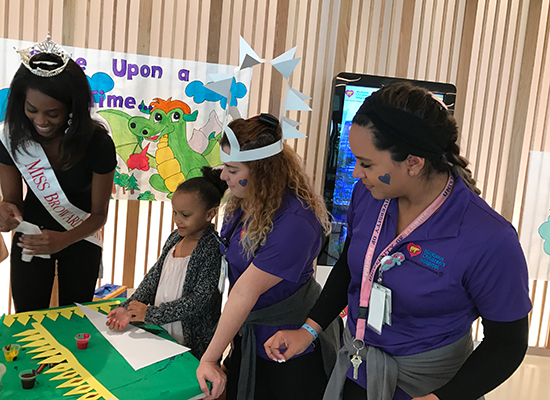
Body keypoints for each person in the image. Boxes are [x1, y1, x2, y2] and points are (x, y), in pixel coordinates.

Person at [265, 82, 532, 400]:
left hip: (426, 387)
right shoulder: (369, 195)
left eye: (366, 164)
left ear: (414, 163)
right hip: (358, 366)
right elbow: (355, 268)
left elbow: (507, 343)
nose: (357, 174)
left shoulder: (488, 238)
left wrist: (442, 398)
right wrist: (308, 330)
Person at [196, 114, 341, 400]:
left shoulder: (295, 222)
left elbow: (244, 293)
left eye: (232, 169)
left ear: (263, 172)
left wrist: (210, 358)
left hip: (287, 348)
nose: (223, 176)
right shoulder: (244, 202)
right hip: (248, 334)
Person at [0, 37, 116, 313]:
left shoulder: (96, 143)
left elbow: (99, 215)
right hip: (30, 236)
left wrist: (63, 239)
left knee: (76, 320)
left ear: (72, 108)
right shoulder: (12, 137)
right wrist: (5, 213)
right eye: (32, 110)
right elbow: (12, 200)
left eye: (52, 113)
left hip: (80, 238)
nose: (41, 121)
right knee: (27, 320)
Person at [106, 166, 226, 359]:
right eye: (175, 213)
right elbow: (153, 278)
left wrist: (151, 314)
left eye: (185, 215)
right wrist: (129, 307)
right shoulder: (175, 238)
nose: (177, 220)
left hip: (190, 342)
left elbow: (200, 301)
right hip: (163, 330)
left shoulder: (212, 248)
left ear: (210, 214)